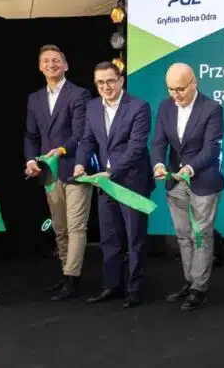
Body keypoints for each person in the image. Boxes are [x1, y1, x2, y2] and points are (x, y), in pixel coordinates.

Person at [74, 61, 154, 309]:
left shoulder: (139, 106)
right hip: (106, 184)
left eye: (110, 81)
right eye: (100, 82)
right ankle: (112, 286)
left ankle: (135, 289)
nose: (105, 87)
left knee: (134, 239)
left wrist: (111, 171)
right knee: (109, 238)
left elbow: (136, 147)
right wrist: (80, 164)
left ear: (121, 80)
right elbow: (87, 140)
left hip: (132, 181)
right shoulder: (92, 107)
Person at [152, 62, 224, 311]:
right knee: (183, 235)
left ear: (194, 83)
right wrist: (158, 164)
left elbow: (211, 148)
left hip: (203, 180)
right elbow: (158, 142)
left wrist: (190, 168)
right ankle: (190, 280)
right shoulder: (165, 107)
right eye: (171, 89)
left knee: (200, 234)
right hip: (175, 181)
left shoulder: (212, 108)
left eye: (180, 89)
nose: (175, 95)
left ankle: (199, 288)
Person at [23, 44, 93, 301]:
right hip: (49, 172)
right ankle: (66, 273)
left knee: (76, 226)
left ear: (65, 65)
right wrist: (31, 160)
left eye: (56, 60)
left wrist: (61, 150)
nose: (51, 64)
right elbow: (31, 135)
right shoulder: (34, 99)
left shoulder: (79, 94)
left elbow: (81, 133)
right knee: (60, 228)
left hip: (75, 167)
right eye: (46, 61)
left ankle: (73, 278)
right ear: (40, 67)